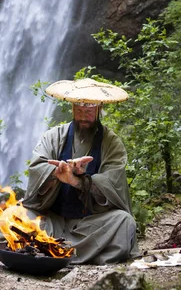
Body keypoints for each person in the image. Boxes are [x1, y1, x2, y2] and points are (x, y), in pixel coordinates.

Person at [21, 100, 140, 264]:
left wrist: (78, 181)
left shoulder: (112, 143)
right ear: (72, 107)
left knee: (124, 223)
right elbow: (37, 171)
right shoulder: (53, 136)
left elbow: (113, 186)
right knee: (12, 215)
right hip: (52, 222)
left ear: (100, 108)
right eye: (80, 108)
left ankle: (50, 251)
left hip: (90, 225)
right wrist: (56, 174)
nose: (84, 114)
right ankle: (86, 254)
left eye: (90, 108)